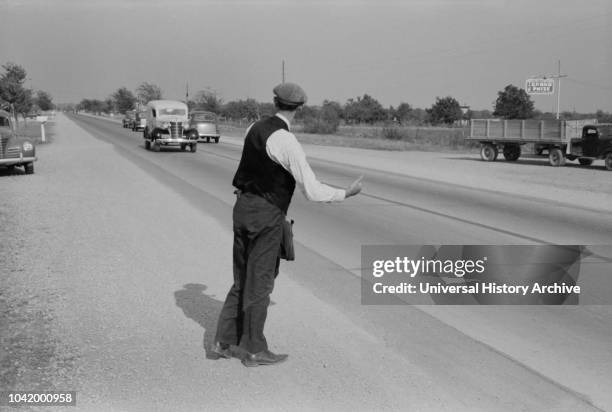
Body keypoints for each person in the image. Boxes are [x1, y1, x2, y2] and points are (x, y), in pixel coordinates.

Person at [213, 82, 363, 367]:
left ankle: (224, 342)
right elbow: (313, 190)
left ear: (274, 102)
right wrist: (347, 192)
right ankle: (254, 350)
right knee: (260, 283)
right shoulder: (286, 141)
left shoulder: (253, 128)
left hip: (242, 207)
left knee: (242, 278)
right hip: (266, 214)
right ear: (300, 108)